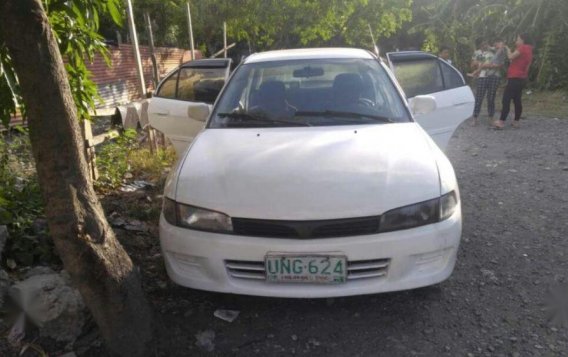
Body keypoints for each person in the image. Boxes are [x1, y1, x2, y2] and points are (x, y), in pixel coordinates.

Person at [493, 33, 534, 129]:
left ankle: (501, 122)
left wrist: (507, 49)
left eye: (518, 39)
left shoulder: (522, 48)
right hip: (521, 78)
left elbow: (510, 57)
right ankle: (516, 122)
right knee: (517, 100)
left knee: (506, 99)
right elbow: (525, 65)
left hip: (514, 78)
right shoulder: (529, 49)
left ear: (523, 40)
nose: (516, 41)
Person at [471, 39, 507, 125]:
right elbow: (472, 64)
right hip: (482, 76)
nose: (485, 45)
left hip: (495, 76)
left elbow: (501, 64)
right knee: (479, 97)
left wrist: (487, 65)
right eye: (483, 43)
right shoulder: (477, 53)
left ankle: (491, 117)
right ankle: (475, 118)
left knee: (491, 98)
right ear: (480, 45)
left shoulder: (495, 51)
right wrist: (483, 65)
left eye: (486, 43)